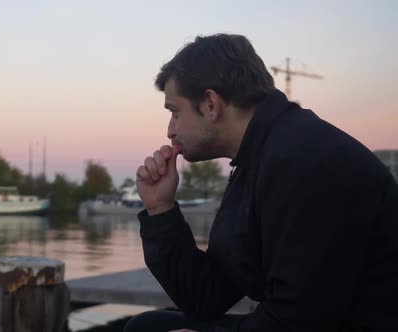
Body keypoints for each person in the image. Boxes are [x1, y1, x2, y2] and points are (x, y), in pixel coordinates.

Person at [124, 34, 398, 332]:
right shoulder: (258, 159)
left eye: (175, 112)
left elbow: (302, 320)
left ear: (211, 104)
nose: (170, 131)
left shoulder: (306, 160)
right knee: (148, 326)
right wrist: (161, 210)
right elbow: (206, 296)